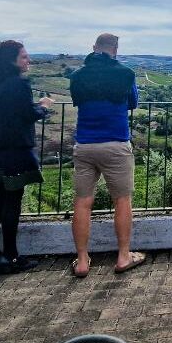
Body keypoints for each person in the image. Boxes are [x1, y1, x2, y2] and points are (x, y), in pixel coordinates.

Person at [68, 33, 145, 277]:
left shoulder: (78, 75)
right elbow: (133, 102)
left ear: (94, 48)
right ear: (116, 49)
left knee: (82, 201)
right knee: (122, 200)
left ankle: (82, 261)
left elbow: (77, 100)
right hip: (116, 143)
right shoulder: (125, 73)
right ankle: (123, 256)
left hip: (85, 144)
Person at [0, 40, 53, 274]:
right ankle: (10, 257)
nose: (28, 60)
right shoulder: (19, 84)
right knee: (12, 201)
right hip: (16, 148)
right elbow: (28, 114)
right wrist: (44, 106)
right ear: (12, 60)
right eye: (24, 57)